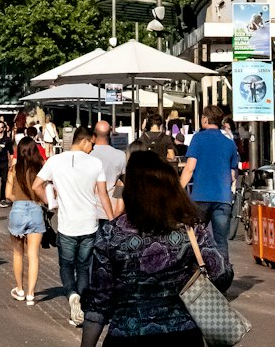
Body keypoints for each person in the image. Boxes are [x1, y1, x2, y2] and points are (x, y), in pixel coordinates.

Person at [81, 148, 228, 347]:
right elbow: (220, 275)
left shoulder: (112, 234)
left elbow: (99, 302)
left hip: (126, 334)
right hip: (182, 335)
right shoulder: (190, 230)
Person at [34, 124, 113, 328]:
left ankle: (71, 296)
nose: (92, 149)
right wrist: (112, 220)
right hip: (89, 223)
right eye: (91, 145)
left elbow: (36, 185)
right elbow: (103, 194)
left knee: (67, 265)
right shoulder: (95, 163)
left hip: (67, 224)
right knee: (84, 267)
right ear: (85, 140)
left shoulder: (55, 161)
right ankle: (82, 306)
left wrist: (50, 203)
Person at [178, 105, 239, 276]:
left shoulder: (198, 139)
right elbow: (233, 174)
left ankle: (195, 276)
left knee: (195, 239)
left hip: (200, 197)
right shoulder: (229, 143)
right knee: (221, 241)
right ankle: (223, 276)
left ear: (205, 119)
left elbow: (189, 168)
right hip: (223, 198)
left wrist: (178, 190)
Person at [6, 136, 46, 306]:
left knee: (17, 253)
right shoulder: (40, 168)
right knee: (33, 255)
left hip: (18, 210)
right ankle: (31, 294)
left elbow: (8, 195)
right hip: (36, 209)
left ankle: (20, 289)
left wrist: (19, 198)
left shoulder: (13, 170)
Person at [92, 121, 126, 219]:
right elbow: (123, 183)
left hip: (90, 210)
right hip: (113, 208)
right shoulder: (120, 155)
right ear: (110, 133)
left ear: (94, 134)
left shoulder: (88, 154)